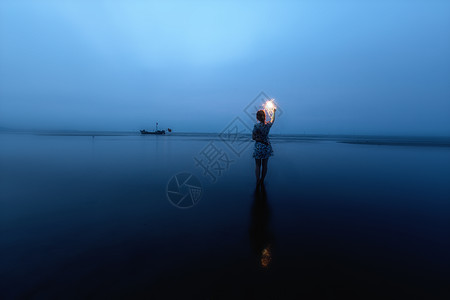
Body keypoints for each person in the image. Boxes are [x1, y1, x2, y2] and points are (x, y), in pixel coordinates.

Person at [252, 108, 276, 186]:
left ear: (257, 118)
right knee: (265, 165)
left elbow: (253, 137)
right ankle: (262, 179)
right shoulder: (268, 125)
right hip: (266, 147)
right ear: (265, 117)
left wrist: (258, 139)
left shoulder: (256, 126)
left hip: (258, 147)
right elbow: (273, 120)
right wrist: (274, 112)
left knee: (258, 165)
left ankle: (258, 180)